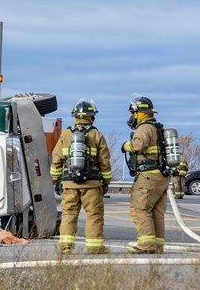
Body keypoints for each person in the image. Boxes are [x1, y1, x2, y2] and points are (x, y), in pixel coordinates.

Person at [50, 98, 112, 255]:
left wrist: (56, 180)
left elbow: (56, 159)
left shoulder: (66, 135)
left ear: (75, 116)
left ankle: (65, 248)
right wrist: (105, 182)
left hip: (69, 184)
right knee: (94, 215)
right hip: (92, 184)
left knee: (69, 214)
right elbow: (104, 162)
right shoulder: (96, 135)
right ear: (91, 116)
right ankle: (95, 247)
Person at [122, 96, 170, 254]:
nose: (132, 116)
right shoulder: (158, 128)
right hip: (161, 177)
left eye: (133, 113)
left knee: (140, 209)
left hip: (147, 176)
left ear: (138, 113)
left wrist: (125, 146)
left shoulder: (143, 128)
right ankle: (157, 246)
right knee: (156, 212)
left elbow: (138, 145)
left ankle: (146, 245)